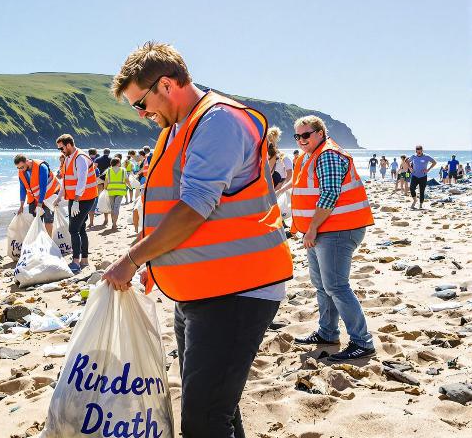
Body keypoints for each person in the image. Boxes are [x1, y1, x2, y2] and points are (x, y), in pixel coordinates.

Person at [103, 41, 293, 438]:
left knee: (204, 421)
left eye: (142, 103)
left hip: (240, 289)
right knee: (215, 408)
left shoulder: (218, 121)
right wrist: (155, 262)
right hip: (201, 288)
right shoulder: (176, 128)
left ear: (167, 85)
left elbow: (194, 207)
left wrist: (133, 259)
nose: (142, 114)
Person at [290, 116, 376, 361]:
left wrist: (313, 228)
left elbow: (330, 194)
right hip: (321, 230)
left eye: (306, 135)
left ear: (320, 132)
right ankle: (328, 332)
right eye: (297, 136)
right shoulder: (310, 155)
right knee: (323, 286)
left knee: (336, 286)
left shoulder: (327, 154)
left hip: (336, 230)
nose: (301, 140)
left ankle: (362, 342)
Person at [57, 134, 98, 272]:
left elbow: (82, 180)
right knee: (80, 228)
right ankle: (84, 259)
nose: (60, 151)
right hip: (75, 198)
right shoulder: (68, 158)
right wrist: (59, 197)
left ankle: (75, 261)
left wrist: (76, 200)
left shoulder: (80, 158)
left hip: (84, 199)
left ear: (68, 145)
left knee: (73, 229)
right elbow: (66, 179)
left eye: (61, 148)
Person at [14, 154, 60, 235]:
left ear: (27, 161)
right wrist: (21, 205)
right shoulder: (21, 171)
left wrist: (40, 203)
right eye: (18, 168)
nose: (20, 170)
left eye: (22, 167)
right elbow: (22, 188)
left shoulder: (41, 167)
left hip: (49, 196)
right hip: (34, 198)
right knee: (36, 221)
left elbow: (43, 187)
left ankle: (49, 241)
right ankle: (39, 242)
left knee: (48, 220)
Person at [100, 157, 128, 231]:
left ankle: (113, 223)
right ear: (118, 163)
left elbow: (106, 181)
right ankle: (114, 224)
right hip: (120, 191)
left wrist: (105, 189)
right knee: (116, 208)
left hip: (111, 190)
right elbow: (126, 180)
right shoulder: (123, 170)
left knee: (112, 208)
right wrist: (131, 187)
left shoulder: (108, 171)